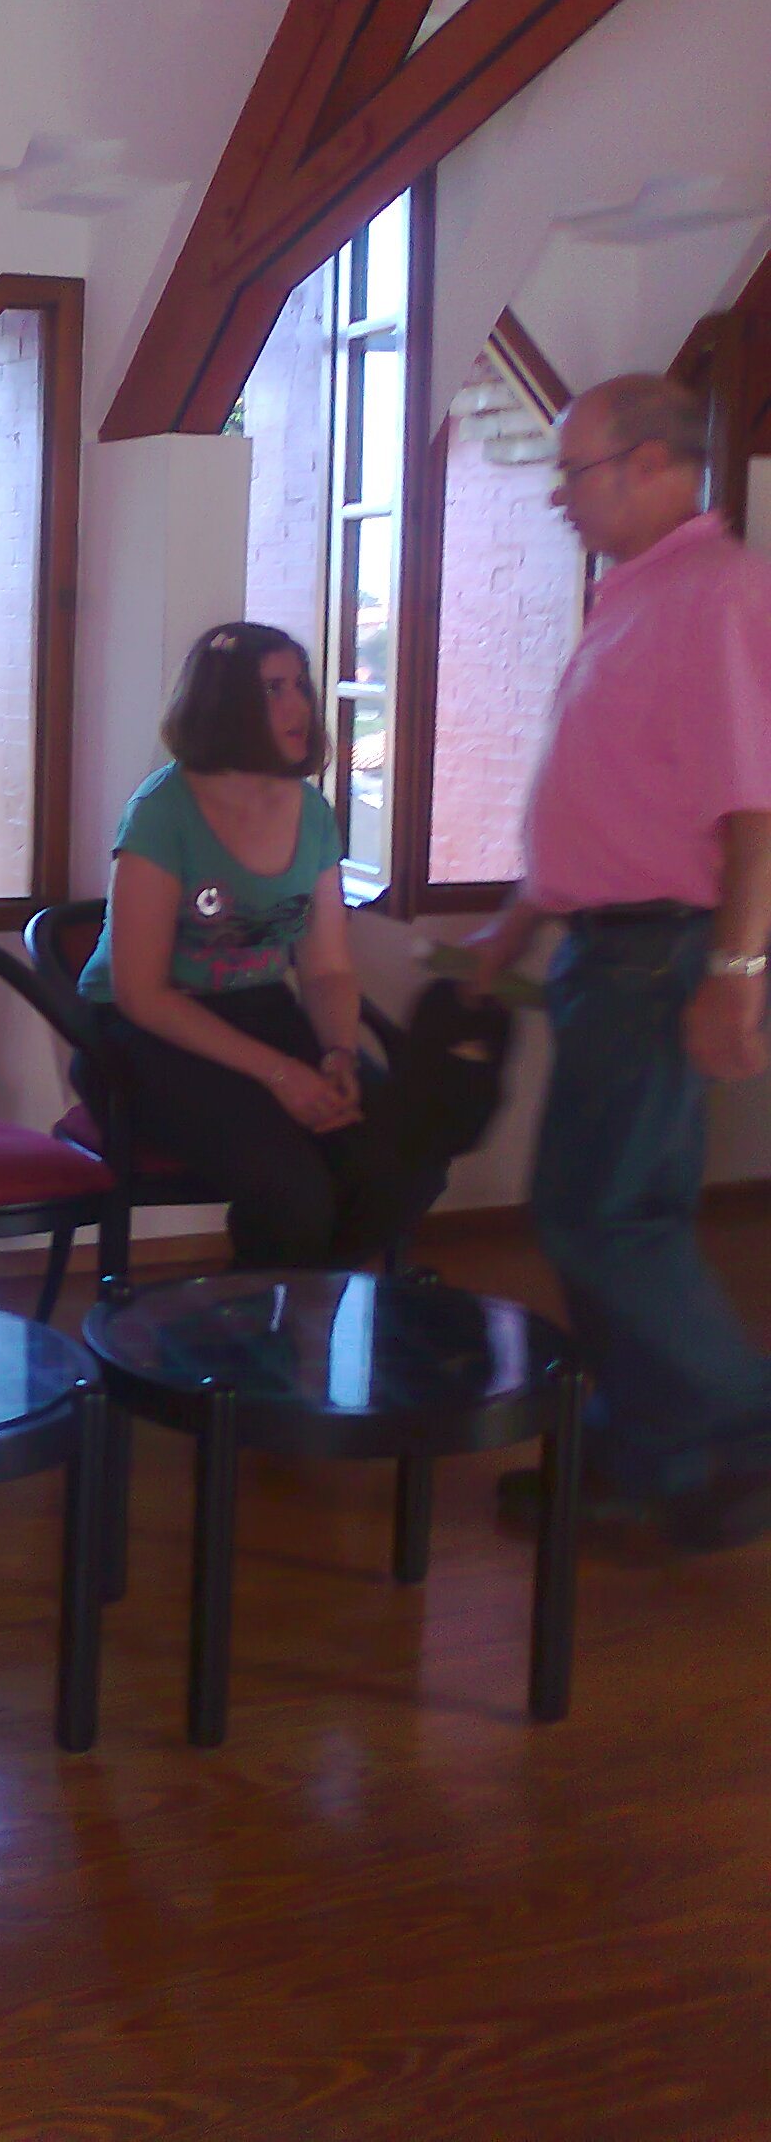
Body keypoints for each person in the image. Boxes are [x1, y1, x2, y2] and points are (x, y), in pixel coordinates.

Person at [465, 372, 771, 1553]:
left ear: (653, 465)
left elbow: (753, 811)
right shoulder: (635, 592)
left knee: (608, 1218)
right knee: (599, 1210)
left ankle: (735, 1429)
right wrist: (516, 926)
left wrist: (736, 976)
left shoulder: (716, 593)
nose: (558, 495)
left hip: (660, 954)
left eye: (574, 470)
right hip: (608, 951)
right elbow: (610, 793)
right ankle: (650, 1458)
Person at [77, 621, 432, 1268]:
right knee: (293, 1191)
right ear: (223, 703)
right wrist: (281, 1075)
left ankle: (311, 1306)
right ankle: (263, 1320)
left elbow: (326, 970)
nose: (298, 705)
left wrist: (338, 1055)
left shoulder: (312, 812)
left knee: (407, 1158)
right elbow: (142, 995)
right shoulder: (162, 810)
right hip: (146, 1038)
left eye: (299, 684)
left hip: (262, 1013)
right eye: (272, 689)